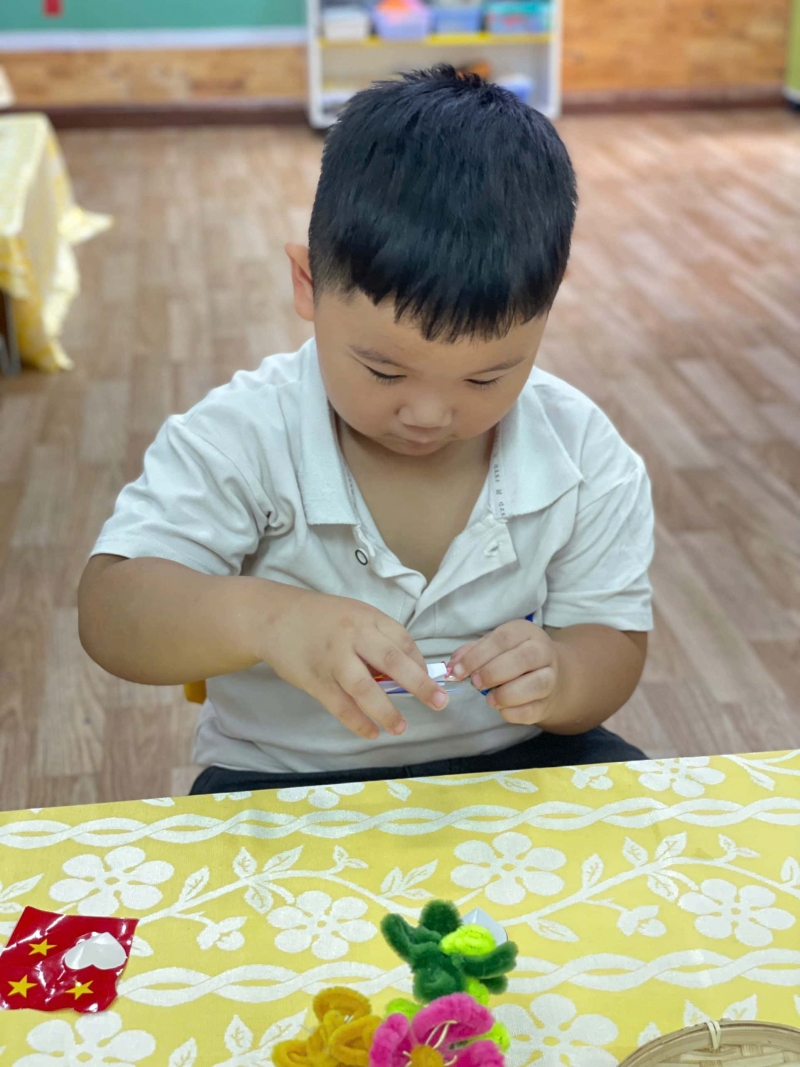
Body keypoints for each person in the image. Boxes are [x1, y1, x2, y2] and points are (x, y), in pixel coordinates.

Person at [78, 66, 654, 797]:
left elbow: (613, 641)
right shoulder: (243, 437)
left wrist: (563, 675)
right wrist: (269, 620)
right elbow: (112, 611)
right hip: (285, 777)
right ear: (307, 284)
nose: (429, 414)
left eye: (486, 378)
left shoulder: (582, 452)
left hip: (518, 757)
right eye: (384, 370)